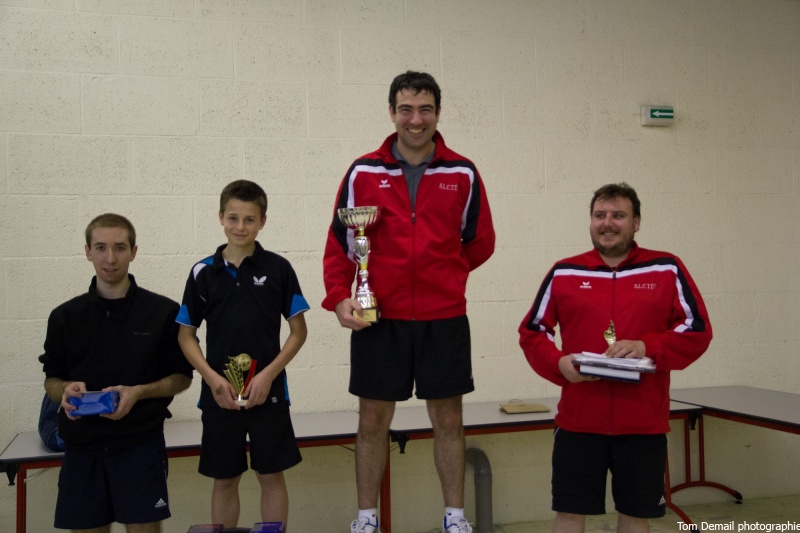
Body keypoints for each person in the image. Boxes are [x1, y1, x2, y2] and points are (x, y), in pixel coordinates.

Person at [322, 71, 496, 533]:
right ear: (391, 112)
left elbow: (481, 241)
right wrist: (340, 298)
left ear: (437, 113)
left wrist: (444, 274)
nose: (415, 120)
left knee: (448, 419)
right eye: (406, 109)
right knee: (372, 420)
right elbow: (340, 244)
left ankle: (455, 518)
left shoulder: (463, 172)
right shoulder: (363, 172)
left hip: (444, 318)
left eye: (424, 109)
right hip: (379, 318)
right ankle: (366, 519)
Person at [518, 183, 713, 533]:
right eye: (600, 215)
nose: (607, 223)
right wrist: (558, 364)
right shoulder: (565, 272)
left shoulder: (666, 268)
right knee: (569, 516)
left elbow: (697, 330)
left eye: (618, 215)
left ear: (636, 223)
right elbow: (533, 332)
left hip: (642, 425)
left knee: (636, 517)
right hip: (578, 424)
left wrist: (646, 346)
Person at [39, 213, 193, 533]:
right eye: (101, 247)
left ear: (134, 252)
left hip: (140, 445)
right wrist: (64, 390)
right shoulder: (65, 317)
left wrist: (139, 392)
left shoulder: (163, 312)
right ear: (88, 251)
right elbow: (51, 379)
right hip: (81, 449)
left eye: (120, 248)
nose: (110, 258)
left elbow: (182, 377)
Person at [177, 179, 309, 529]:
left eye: (249, 219)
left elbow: (299, 332)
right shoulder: (202, 272)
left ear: (262, 221)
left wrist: (268, 375)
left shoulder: (278, 268)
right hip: (219, 396)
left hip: (269, 393)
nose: (240, 226)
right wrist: (211, 378)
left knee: (271, 475)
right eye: (233, 218)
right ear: (221, 217)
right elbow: (186, 336)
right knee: (224, 479)